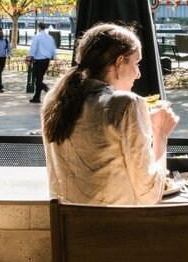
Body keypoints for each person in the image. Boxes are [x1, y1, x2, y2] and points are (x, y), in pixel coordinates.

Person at [41, 23, 179, 204]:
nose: (138, 74)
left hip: (69, 229)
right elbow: (150, 195)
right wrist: (160, 134)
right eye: (136, 63)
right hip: (117, 229)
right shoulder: (127, 104)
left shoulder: (55, 100)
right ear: (119, 62)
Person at [27, 22, 57, 104]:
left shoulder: (37, 37)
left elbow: (33, 48)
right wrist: (54, 56)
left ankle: (46, 89)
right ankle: (37, 97)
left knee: (37, 78)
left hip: (38, 60)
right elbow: (53, 49)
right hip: (46, 60)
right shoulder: (50, 38)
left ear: (39, 27)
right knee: (39, 78)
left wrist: (30, 57)